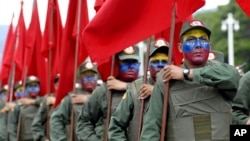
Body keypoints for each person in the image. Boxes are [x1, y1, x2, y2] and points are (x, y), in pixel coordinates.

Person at [140, 19, 240, 141]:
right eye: (191, 40)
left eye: (203, 40)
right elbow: (151, 128)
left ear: (210, 46)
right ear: (180, 47)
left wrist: (186, 74)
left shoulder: (222, 74)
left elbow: (232, 76)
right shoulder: (166, 78)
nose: (198, 44)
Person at [108, 39, 169, 141]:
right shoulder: (136, 88)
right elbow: (116, 126)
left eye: (165, 61)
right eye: (155, 61)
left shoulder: (180, 86)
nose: (160, 65)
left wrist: (156, 91)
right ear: (147, 66)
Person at [76, 46, 141, 140]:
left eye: (134, 62)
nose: (130, 66)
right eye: (126, 62)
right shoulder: (105, 90)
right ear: (117, 64)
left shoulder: (148, 87)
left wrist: (127, 87)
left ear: (139, 64)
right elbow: (84, 121)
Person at [49, 62, 99, 141]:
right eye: (86, 76)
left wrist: (89, 99)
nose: (89, 79)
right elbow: (56, 119)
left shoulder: (106, 94)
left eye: (92, 76)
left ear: (97, 77)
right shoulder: (72, 96)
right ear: (80, 78)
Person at [8, 76, 42, 141]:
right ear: (25, 88)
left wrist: (33, 102)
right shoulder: (19, 104)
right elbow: (12, 126)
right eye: (30, 86)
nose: (33, 89)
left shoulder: (43, 102)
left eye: (35, 86)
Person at [31, 73, 60, 141]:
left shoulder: (76, 98)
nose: (60, 85)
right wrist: (43, 139)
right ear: (55, 86)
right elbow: (36, 125)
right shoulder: (48, 99)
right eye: (57, 83)